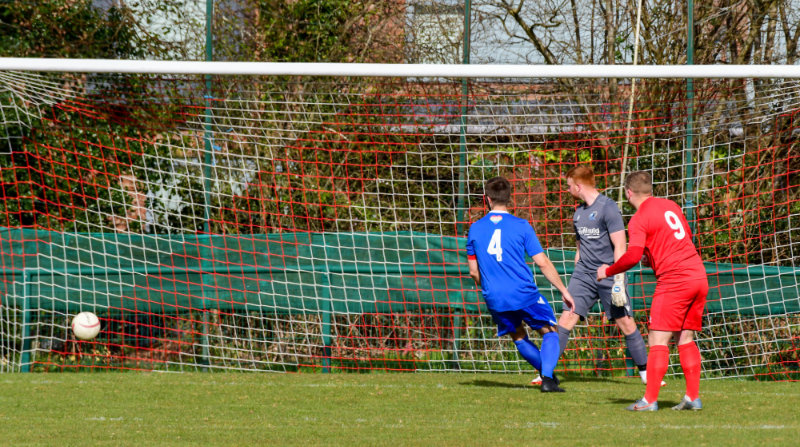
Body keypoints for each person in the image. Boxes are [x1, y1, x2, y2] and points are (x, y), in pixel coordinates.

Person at [597, 171, 708, 411]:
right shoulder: (671, 205)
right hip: (698, 275)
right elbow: (684, 237)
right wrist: (652, 255)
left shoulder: (639, 218)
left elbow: (632, 256)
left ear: (628, 193)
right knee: (685, 338)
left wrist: (608, 271)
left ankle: (649, 400)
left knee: (657, 339)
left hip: (675, 280)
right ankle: (692, 397)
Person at [467, 176, 575, 392]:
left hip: (494, 296)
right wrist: (564, 290)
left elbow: (473, 272)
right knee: (550, 331)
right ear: (509, 198)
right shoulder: (521, 226)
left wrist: (489, 288)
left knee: (518, 336)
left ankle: (547, 375)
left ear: (487, 199)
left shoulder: (475, 229)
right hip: (523, 293)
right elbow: (542, 262)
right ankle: (547, 378)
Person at [548, 166, 654, 386]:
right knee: (566, 318)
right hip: (584, 275)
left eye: (569, 186)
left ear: (579, 186)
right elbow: (580, 248)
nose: (568, 190)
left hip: (609, 274)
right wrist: (577, 275)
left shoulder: (608, 207)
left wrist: (618, 278)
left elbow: (620, 245)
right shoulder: (578, 213)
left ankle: (646, 373)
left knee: (625, 322)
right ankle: (545, 372)